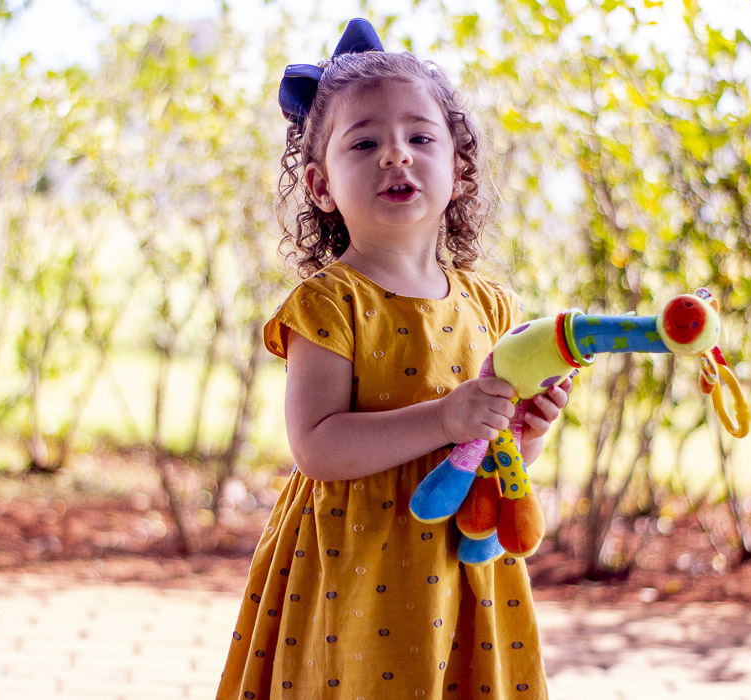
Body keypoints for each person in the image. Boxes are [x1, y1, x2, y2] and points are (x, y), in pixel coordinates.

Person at [216, 18, 570, 699]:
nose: (395, 156)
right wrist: (448, 416)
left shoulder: (490, 306)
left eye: (419, 137)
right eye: (366, 142)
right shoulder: (329, 304)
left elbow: (486, 461)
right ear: (321, 187)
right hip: (359, 568)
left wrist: (524, 431)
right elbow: (317, 446)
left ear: (459, 171)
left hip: (462, 568)